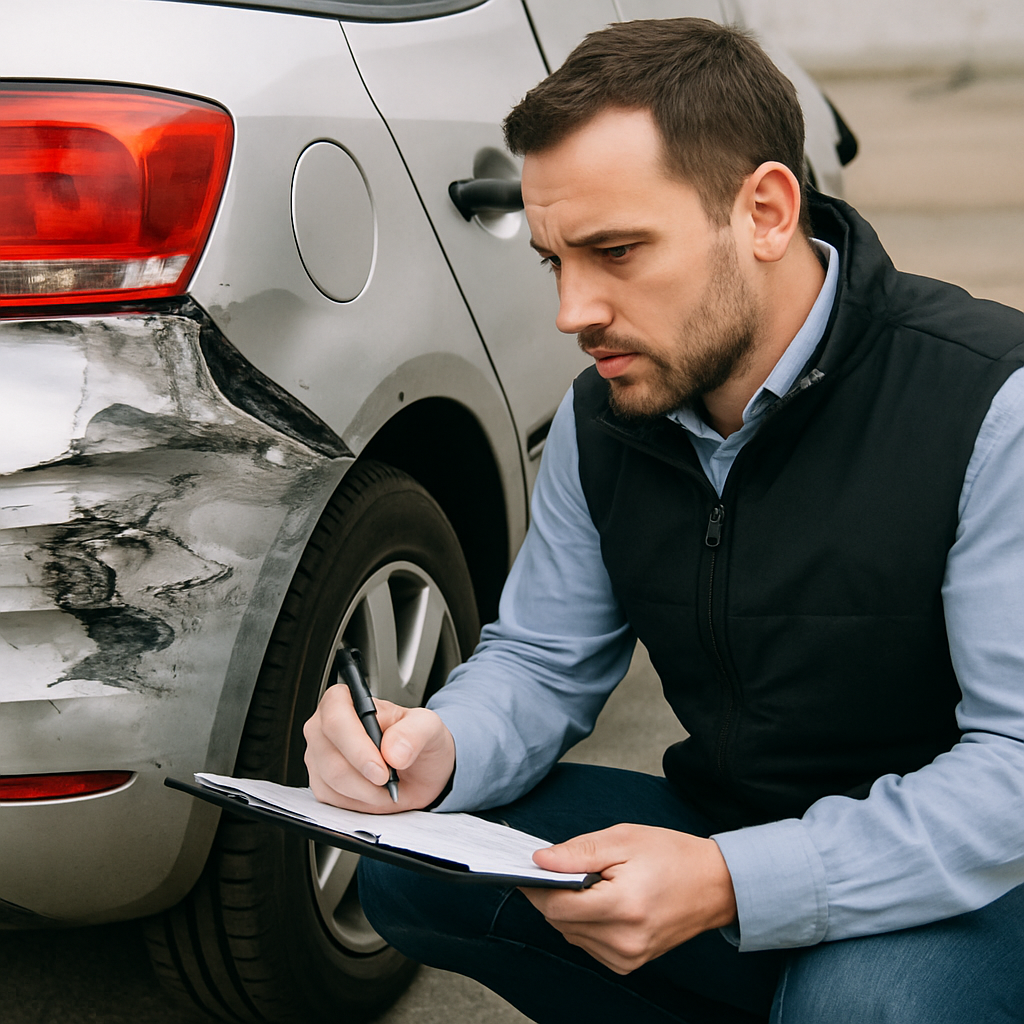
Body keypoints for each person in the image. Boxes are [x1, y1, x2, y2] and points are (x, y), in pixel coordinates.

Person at [303, 18, 1024, 1023]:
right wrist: (442, 745)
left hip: (978, 878)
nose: (574, 311)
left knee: (863, 1007)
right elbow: (543, 657)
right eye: (555, 261)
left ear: (764, 211)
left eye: (616, 251)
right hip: (733, 825)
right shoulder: (608, 414)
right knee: (412, 869)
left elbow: (1013, 770)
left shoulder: (989, 402)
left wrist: (735, 881)